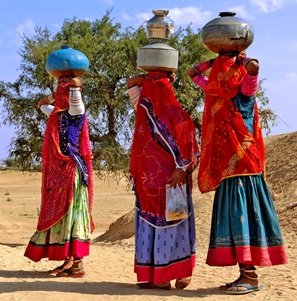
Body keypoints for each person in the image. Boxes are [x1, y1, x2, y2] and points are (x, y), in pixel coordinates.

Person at [188, 51, 288, 294]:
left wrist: (238, 59)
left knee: (244, 218)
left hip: (245, 168)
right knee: (235, 220)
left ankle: (251, 277)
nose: (221, 76)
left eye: (225, 71)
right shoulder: (215, 91)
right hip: (228, 169)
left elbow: (254, 68)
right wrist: (218, 59)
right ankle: (245, 274)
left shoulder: (245, 91)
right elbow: (192, 73)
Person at [127, 71, 200, 290]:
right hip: (148, 183)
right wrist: (155, 74)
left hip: (171, 183)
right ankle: (155, 276)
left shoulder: (177, 116)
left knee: (174, 223)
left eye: (156, 87)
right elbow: (132, 83)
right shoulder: (144, 110)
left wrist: (182, 168)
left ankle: (179, 273)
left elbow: (192, 151)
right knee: (154, 226)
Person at [24, 76, 94, 277]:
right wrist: (56, 93)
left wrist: (70, 83)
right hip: (59, 173)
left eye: (62, 90)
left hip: (72, 171)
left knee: (73, 213)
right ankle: (69, 261)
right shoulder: (56, 113)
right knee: (64, 215)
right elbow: (42, 103)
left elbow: (77, 86)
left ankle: (77, 262)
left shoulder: (76, 111)